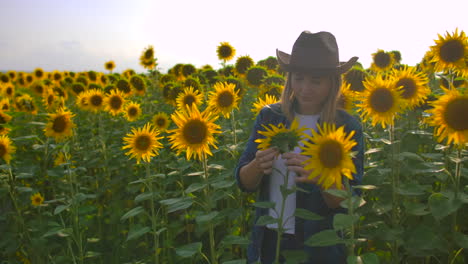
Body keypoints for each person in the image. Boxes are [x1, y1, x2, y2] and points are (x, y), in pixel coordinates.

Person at [234, 31, 364, 263]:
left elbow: (350, 201)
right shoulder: (270, 117)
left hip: (319, 244)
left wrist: (321, 177)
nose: (305, 88)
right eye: (299, 78)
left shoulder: (346, 127)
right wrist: (257, 165)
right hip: (270, 239)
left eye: (316, 81)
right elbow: (244, 182)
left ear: (333, 83)